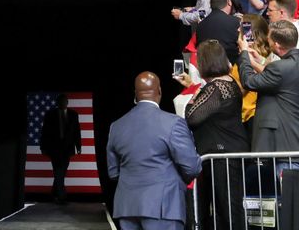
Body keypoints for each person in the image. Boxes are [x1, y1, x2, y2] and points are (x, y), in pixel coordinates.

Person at [106, 71, 202, 230]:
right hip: (164, 207)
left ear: (135, 95)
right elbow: (192, 167)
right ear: (159, 92)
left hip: (127, 207)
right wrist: (176, 181)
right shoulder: (173, 123)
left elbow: (113, 173)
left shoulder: (116, 126)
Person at [184, 40, 249, 230]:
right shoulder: (229, 83)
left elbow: (192, 116)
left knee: (227, 209)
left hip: (222, 156)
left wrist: (193, 97)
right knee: (228, 208)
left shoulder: (215, 87)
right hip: (229, 153)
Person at [238, 20, 299, 177]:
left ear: (278, 45)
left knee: (286, 198)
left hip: (283, 146)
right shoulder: (287, 65)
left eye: (270, 40)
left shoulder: (280, 68)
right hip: (292, 141)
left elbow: (248, 81)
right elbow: (279, 78)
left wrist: (244, 53)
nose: (268, 42)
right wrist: (260, 60)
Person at [40, 93, 81, 204]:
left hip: (68, 149)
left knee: (61, 172)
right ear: (57, 103)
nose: (62, 103)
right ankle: (62, 196)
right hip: (54, 148)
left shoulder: (73, 114)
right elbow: (45, 132)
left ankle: (54, 194)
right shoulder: (50, 115)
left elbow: (77, 131)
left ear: (67, 103)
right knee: (58, 170)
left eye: (64, 101)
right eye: (60, 101)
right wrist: (42, 147)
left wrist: (79, 146)